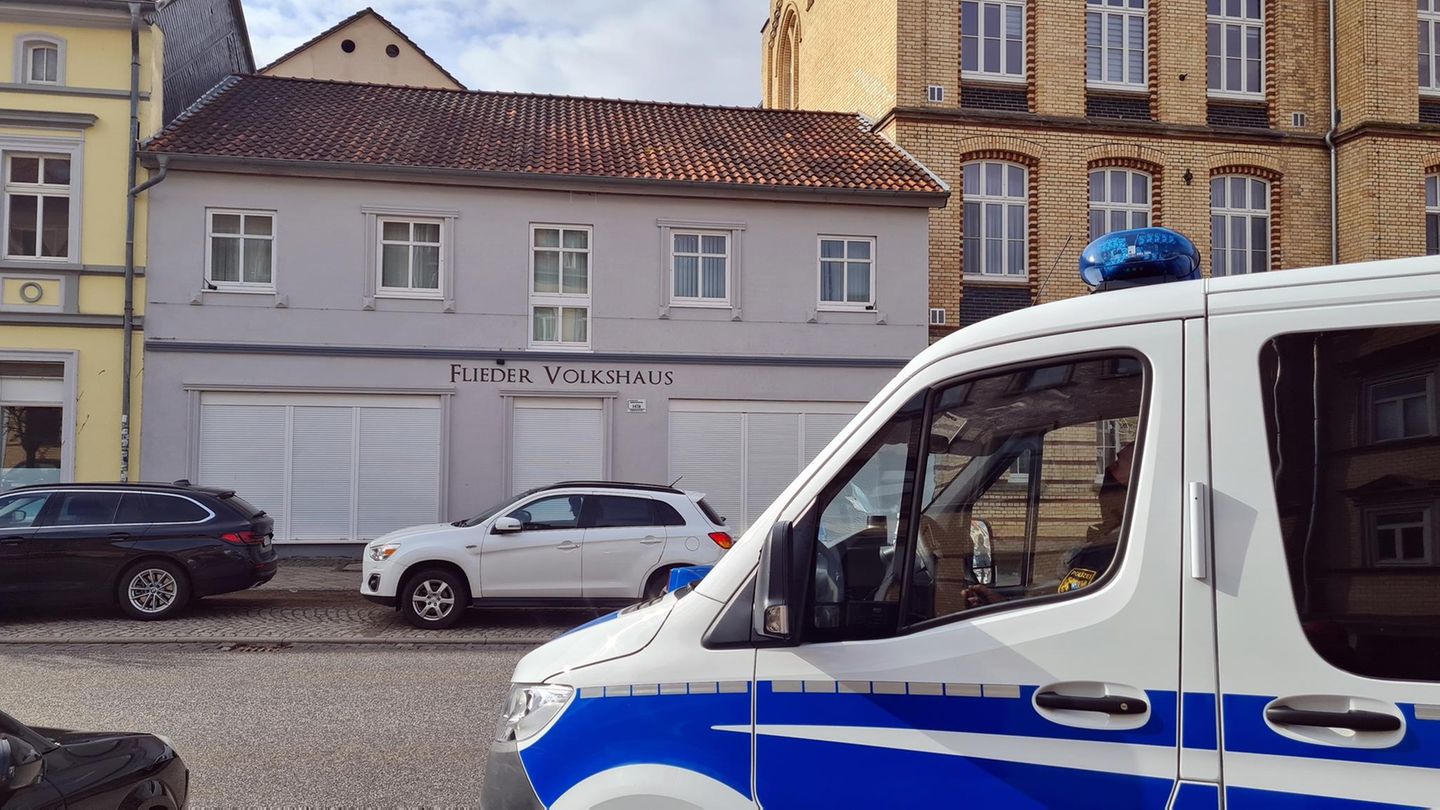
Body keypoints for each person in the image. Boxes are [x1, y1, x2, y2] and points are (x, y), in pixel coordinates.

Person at [964, 441, 1134, 608]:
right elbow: (1063, 597)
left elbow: (1075, 611)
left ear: (1132, 487)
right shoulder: (1106, 543)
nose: (1107, 471)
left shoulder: (1123, 549)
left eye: (1118, 465)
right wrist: (1003, 604)